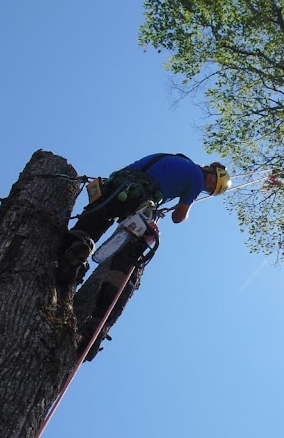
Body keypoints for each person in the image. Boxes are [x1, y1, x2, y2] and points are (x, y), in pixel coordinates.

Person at [58, 153, 230, 359]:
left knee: (93, 223)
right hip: (141, 197)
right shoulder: (196, 176)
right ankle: (99, 322)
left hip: (116, 185)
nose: (207, 188)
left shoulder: (171, 158)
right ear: (211, 173)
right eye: (211, 186)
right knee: (130, 259)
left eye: (209, 190)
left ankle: (74, 251)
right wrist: (183, 203)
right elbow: (179, 217)